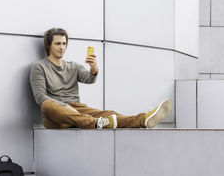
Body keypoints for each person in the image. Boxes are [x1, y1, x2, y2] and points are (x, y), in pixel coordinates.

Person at [30, 28, 173, 129]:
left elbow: (89, 79)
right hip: (57, 115)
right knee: (48, 105)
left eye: (64, 43)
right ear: (49, 45)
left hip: (78, 109)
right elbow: (40, 97)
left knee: (110, 114)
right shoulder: (39, 67)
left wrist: (93, 68)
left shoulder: (73, 66)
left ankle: (143, 120)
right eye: (57, 43)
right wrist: (65, 107)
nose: (62, 47)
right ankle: (96, 123)